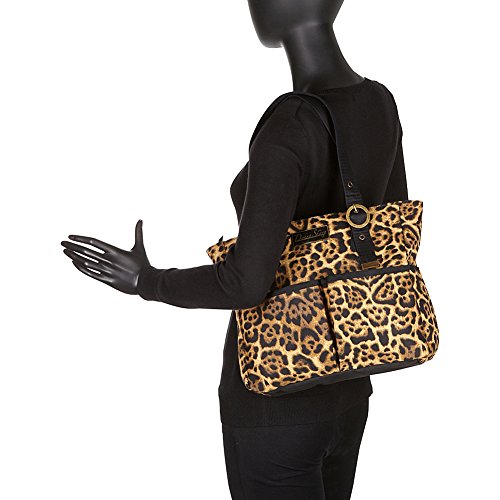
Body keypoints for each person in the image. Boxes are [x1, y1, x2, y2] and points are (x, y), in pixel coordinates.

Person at [61, 1, 408, 498]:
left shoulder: (289, 124)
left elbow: (245, 283)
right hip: (350, 390)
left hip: (275, 401)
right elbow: (389, 243)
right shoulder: (380, 102)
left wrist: (148, 281)